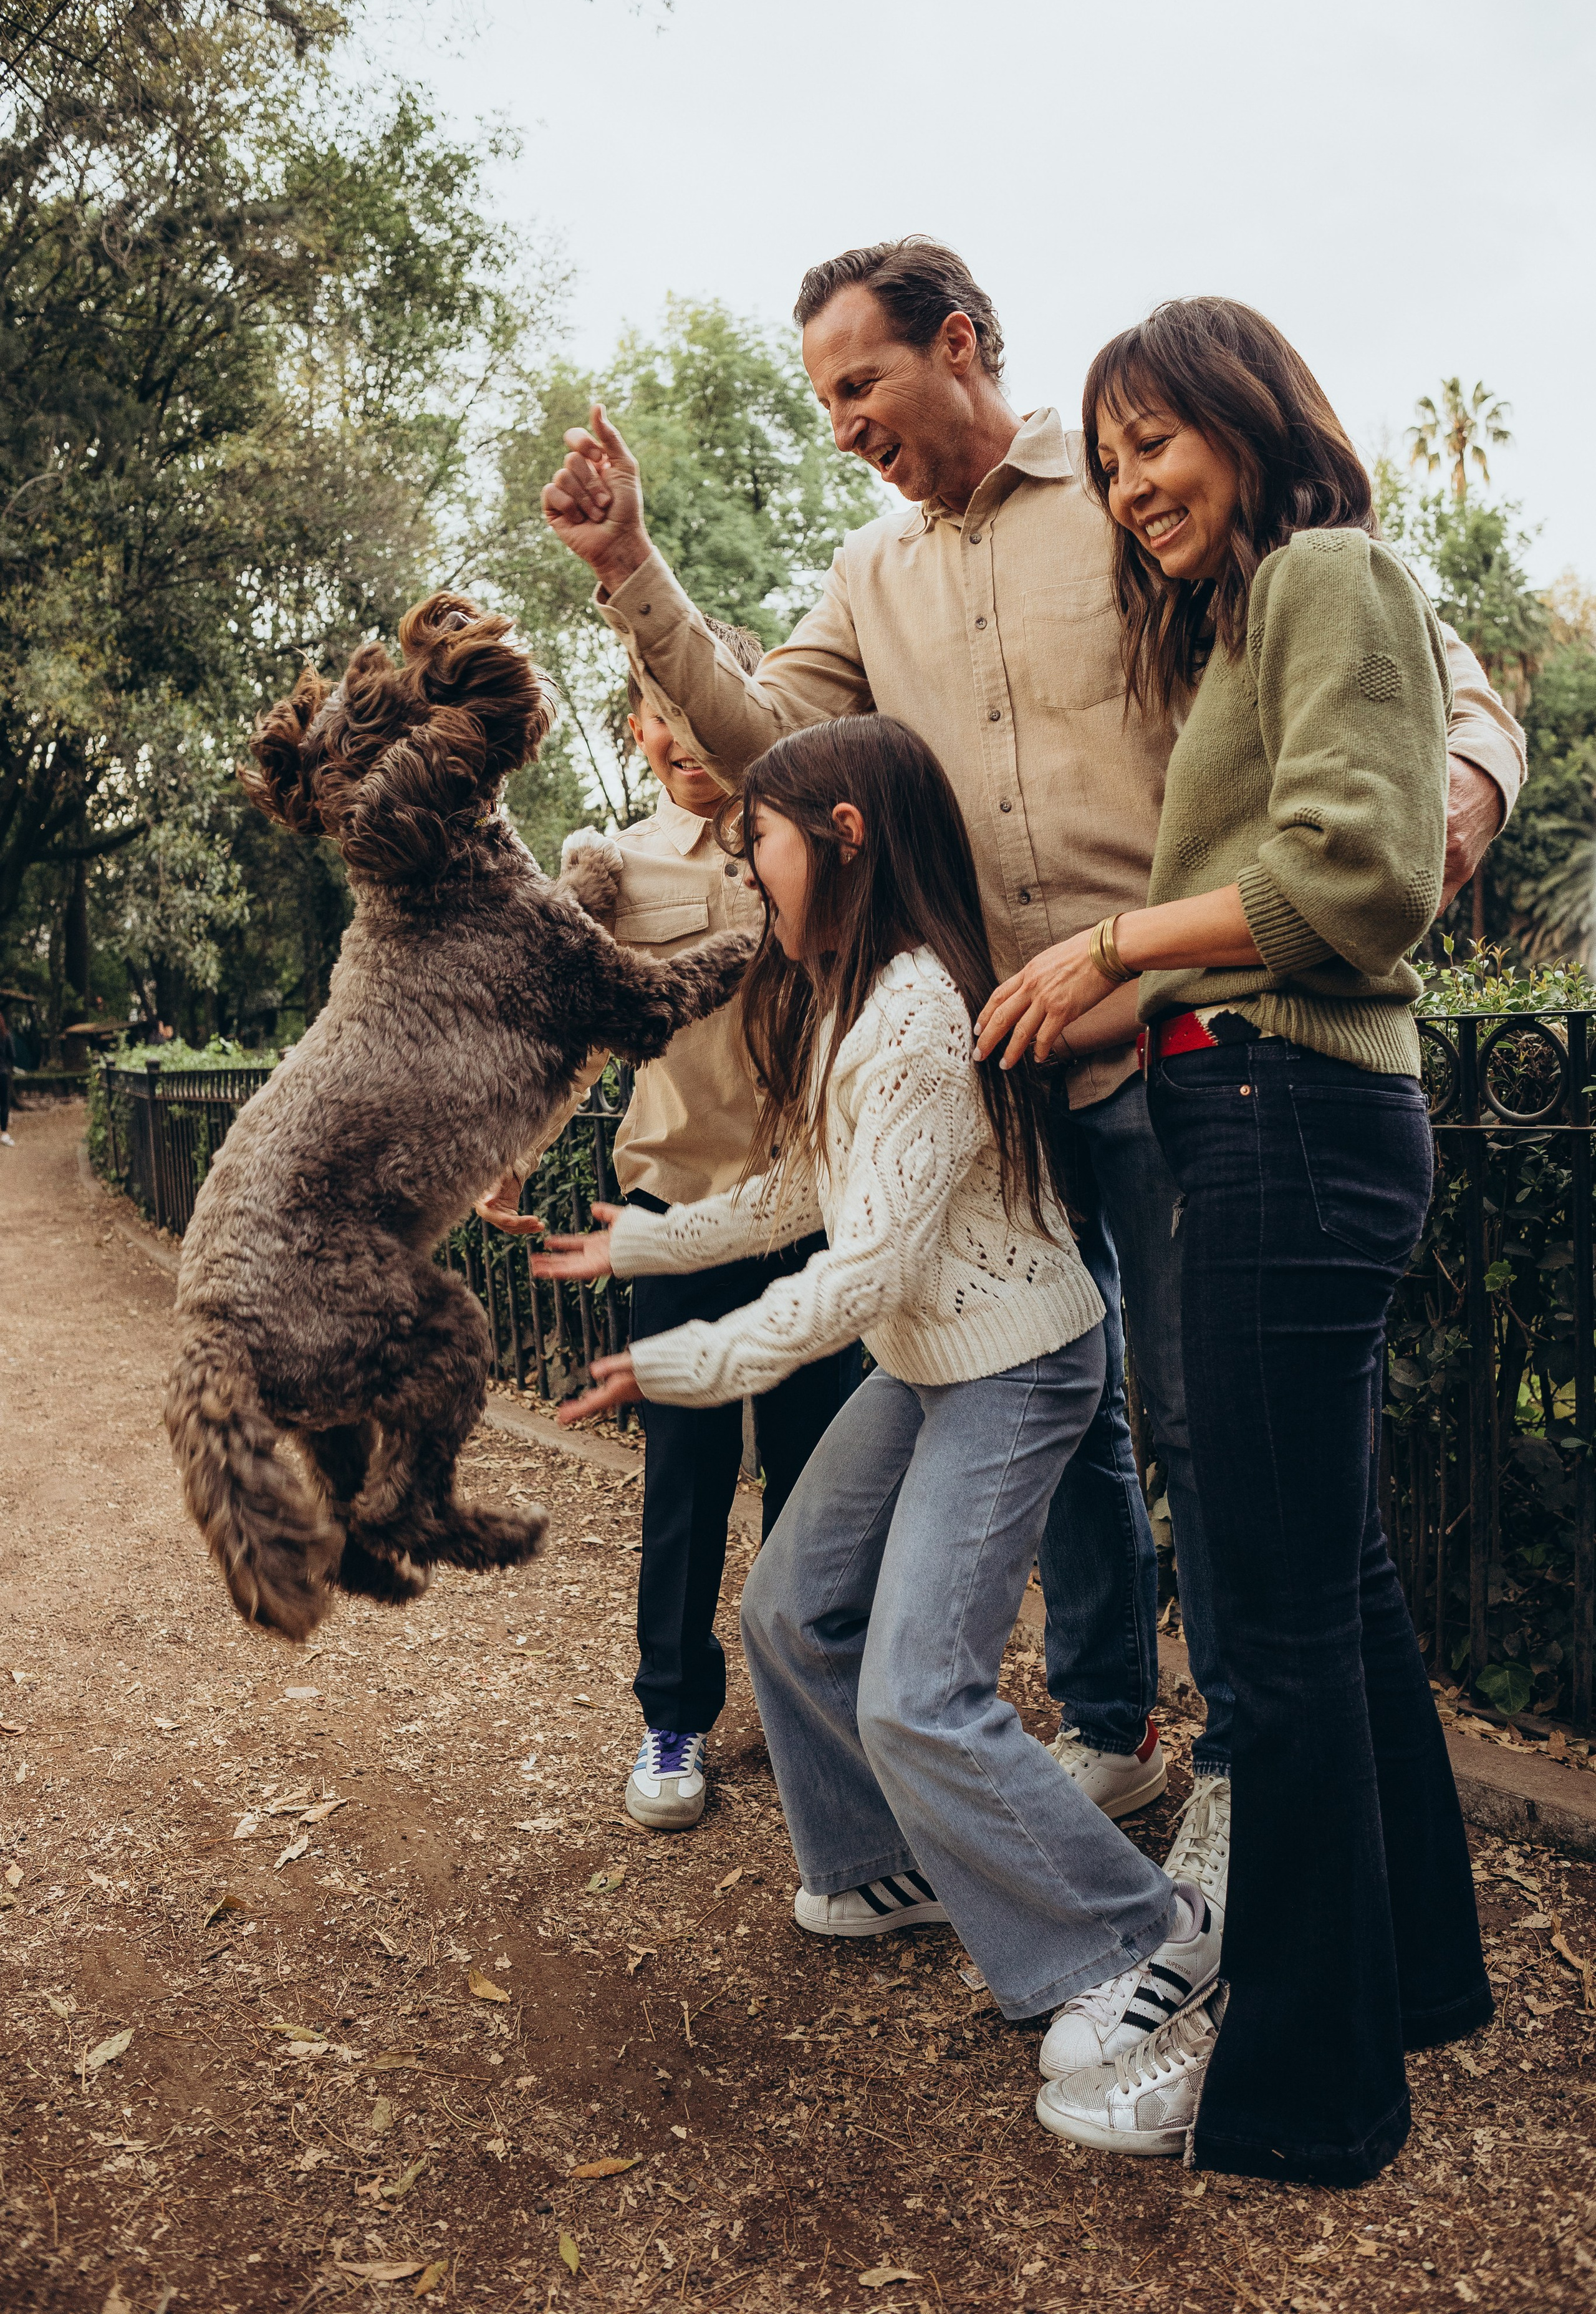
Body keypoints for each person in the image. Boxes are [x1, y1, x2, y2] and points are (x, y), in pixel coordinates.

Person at [539, 236, 1526, 1916]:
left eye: (861, 382)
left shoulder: (1146, 493)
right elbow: (763, 743)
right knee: (1054, 1401)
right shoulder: (869, 578)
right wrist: (632, 569)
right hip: (1013, 1062)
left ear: (963, 343)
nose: (845, 425)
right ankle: (1119, 1718)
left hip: (1206, 1042)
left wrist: (1455, 812)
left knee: (1212, 1434)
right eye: (824, 400)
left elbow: (1440, 670)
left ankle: (1244, 1784)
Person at [976, 298, 1491, 2181]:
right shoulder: (1262, 615)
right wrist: (1103, 1007)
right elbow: (1275, 911)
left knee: (1267, 1640)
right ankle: (1416, 1975)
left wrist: (1108, 948)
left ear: (1246, 415)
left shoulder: (1331, 572)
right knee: (1334, 1598)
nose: (1125, 485)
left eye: (1151, 441)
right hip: (1260, 1107)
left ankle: (1301, 2090)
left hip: (1288, 1125)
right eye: (1105, 461)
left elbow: (1358, 879)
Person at [530, 715, 1224, 2059]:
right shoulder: (847, 992)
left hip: (1013, 1363)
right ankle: (868, 1860)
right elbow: (800, 1188)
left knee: (919, 1690)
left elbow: (857, 1273)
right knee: (789, 1611)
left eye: (761, 845)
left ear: (842, 838)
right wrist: (641, 1238)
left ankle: (1136, 1932)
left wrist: (678, 1360)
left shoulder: (911, 1012)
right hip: (926, 1357)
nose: (748, 870)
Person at [482, 621, 859, 1832]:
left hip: (807, 1213)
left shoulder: (806, 850)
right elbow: (567, 1038)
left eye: (700, 708)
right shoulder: (613, 866)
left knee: (811, 1483)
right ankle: (672, 1716)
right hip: (672, 1212)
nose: (678, 734)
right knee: (686, 1485)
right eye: (655, 709)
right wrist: (509, 1156)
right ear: (634, 721)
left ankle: (821, 1719)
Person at [0, 1005, 14, 1145]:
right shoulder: (6, 1035)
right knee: (4, 1103)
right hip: (3, 1073)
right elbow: (12, 1055)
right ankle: (4, 1132)